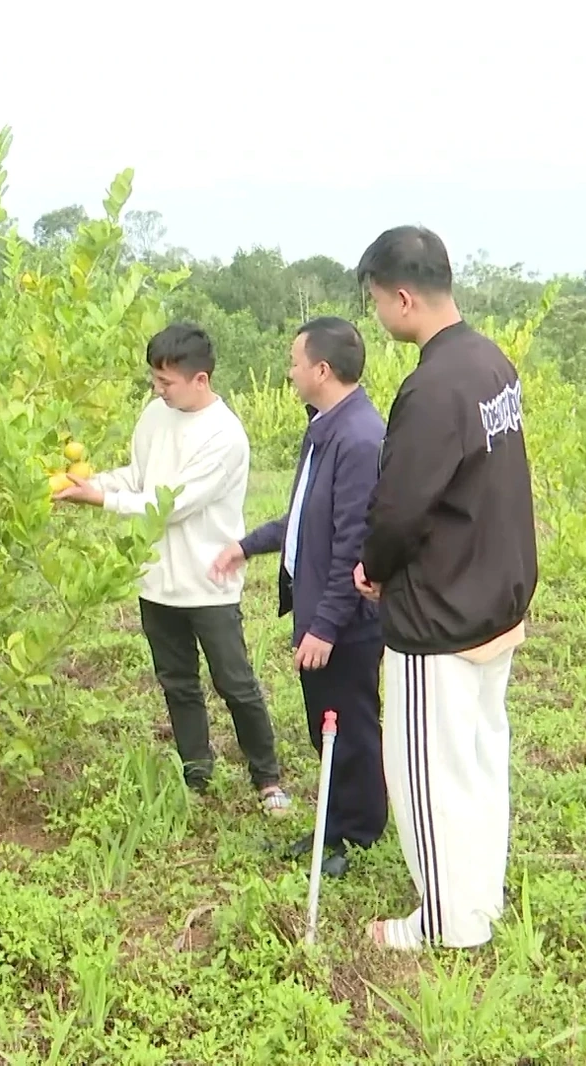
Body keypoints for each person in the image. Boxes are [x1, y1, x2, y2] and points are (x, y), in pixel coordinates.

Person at [350, 225, 539, 953]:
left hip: (441, 616)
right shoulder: (490, 363)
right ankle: (478, 901)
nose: (376, 315)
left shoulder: (431, 388)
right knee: (479, 762)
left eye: (375, 300)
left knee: (427, 774)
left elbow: (399, 509)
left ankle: (444, 921)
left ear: (402, 298)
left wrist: (374, 568)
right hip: (493, 598)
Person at [56, 322, 292, 817]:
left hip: (208, 582)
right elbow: (140, 477)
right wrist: (93, 484)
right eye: (154, 379)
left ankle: (267, 778)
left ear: (200, 379)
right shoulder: (154, 416)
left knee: (234, 682)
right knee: (177, 681)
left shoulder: (224, 436)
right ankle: (197, 774)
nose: (157, 390)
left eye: (166, 382)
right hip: (156, 580)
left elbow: (172, 504)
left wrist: (101, 500)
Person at [210, 316, 387, 878]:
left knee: (348, 727)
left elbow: (352, 543)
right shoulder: (326, 427)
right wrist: (248, 546)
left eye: (294, 362)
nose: (289, 372)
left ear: (322, 370)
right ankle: (336, 826)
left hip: (346, 621)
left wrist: (326, 625)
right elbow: (308, 516)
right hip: (322, 609)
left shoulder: (358, 439)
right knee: (328, 725)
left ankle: (354, 836)